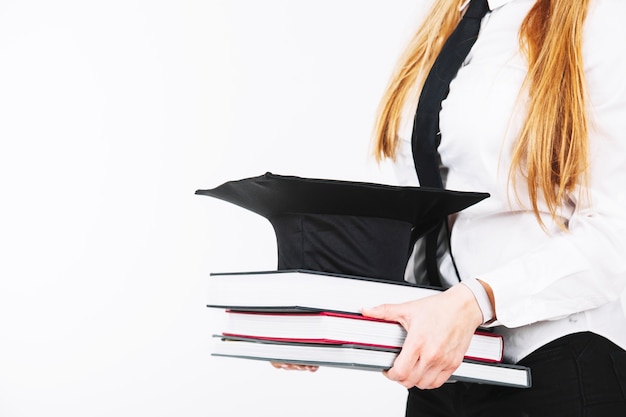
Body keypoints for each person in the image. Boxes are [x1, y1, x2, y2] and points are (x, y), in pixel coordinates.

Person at [275, 0, 626, 415]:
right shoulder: (444, 18)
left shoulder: (603, 18)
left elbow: (615, 231)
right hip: (445, 369)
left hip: (558, 365)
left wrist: (475, 302)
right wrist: (331, 309)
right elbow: (428, 210)